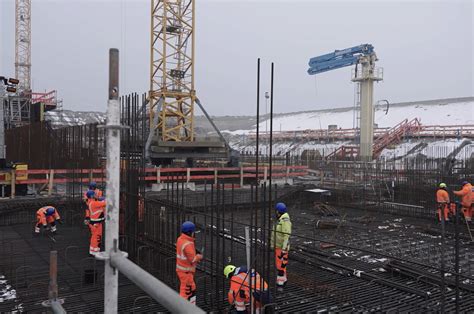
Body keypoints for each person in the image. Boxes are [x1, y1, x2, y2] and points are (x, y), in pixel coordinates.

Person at [176, 221, 203, 304]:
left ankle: (190, 304)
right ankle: (184, 308)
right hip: (186, 272)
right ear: (190, 232)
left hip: (182, 270)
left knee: (192, 287)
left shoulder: (180, 239)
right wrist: (199, 256)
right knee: (185, 292)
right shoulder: (188, 244)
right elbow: (193, 259)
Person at [270, 202, 292, 288]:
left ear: (278, 212)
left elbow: (286, 235)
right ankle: (284, 280)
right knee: (281, 264)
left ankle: (280, 284)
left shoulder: (285, 221)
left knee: (281, 266)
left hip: (281, 247)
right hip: (278, 246)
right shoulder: (280, 220)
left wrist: (283, 249)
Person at [84, 190, 106, 255]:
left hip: (96, 223)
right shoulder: (94, 203)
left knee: (95, 236)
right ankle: (94, 252)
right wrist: (105, 199)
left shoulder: (91, 202)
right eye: (95, 194)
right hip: (96, 224)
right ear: (92, 196)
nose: (96, 195)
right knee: (96, 237)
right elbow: (105, 203)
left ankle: (94, 251)